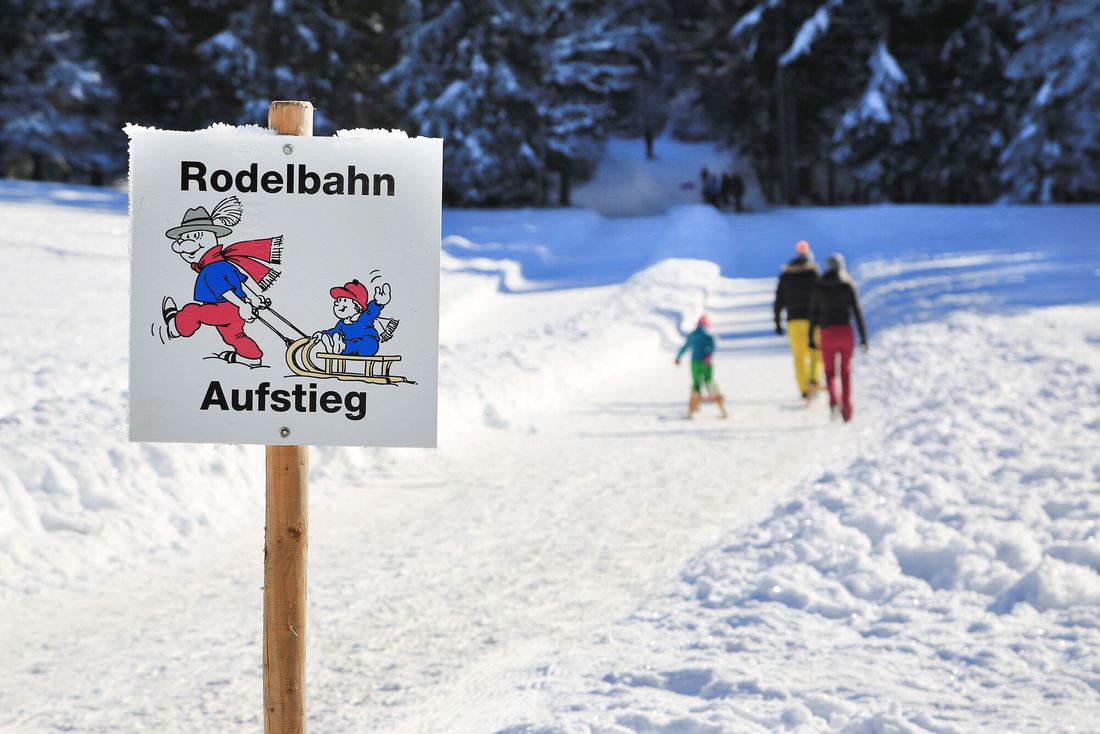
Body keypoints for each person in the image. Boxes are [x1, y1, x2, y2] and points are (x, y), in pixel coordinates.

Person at [160, 200, 281, 366]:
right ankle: (251, 357)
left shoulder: (211, 269)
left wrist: (243, 305)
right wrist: (253, 299)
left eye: (191, 237)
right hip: (236, 312)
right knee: (235, 336)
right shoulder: (225, 264)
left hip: (222, 309)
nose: (182, 245)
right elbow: (241, 284)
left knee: (193, 312)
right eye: (182, 239)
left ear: (203, 238)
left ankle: (175, 326)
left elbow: (225, 291)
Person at [809, 254, 868, 422]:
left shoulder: (819, 286)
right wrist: (863, 336)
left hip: (827, 333)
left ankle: (834, 400)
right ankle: (847, 409)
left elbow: (814, 313)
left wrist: (811, 337)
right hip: (846, 332)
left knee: (829, 372)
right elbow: (857, 311)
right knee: (845, 372)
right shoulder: (847, 284)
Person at [774, 240, 822, 400]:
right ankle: (814, 380)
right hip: (813, 321)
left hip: (793, 321)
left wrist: (777, 322)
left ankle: (803, 389)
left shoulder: (786, 275)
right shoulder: (814, 273)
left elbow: (778, 300)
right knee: (815, 353)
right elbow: (824, 296)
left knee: (799, 356)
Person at [312, 279, 391, 356]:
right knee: (346, 343)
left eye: (344, 300)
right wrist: (322, 334)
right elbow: (335, 331)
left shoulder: (363, 318)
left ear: (357, 306)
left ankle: (341, 346)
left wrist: (378, 303)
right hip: (349, 343)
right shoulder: (342, 323)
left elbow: (372, 311)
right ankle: (333, 346)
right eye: (338, 300)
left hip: (368, 343)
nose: (337, 302)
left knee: (361, 345)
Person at [675, 315, 728, 418]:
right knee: (709, 381)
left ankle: (694, 406)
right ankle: (720, 404)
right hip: (706, 363)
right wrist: (709, 354)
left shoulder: (692, 335)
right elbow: (713, 344)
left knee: (696, 383)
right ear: (706, 325)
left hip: (695, 363)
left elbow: (685, 347)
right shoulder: (708, 335)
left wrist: (678, 358)